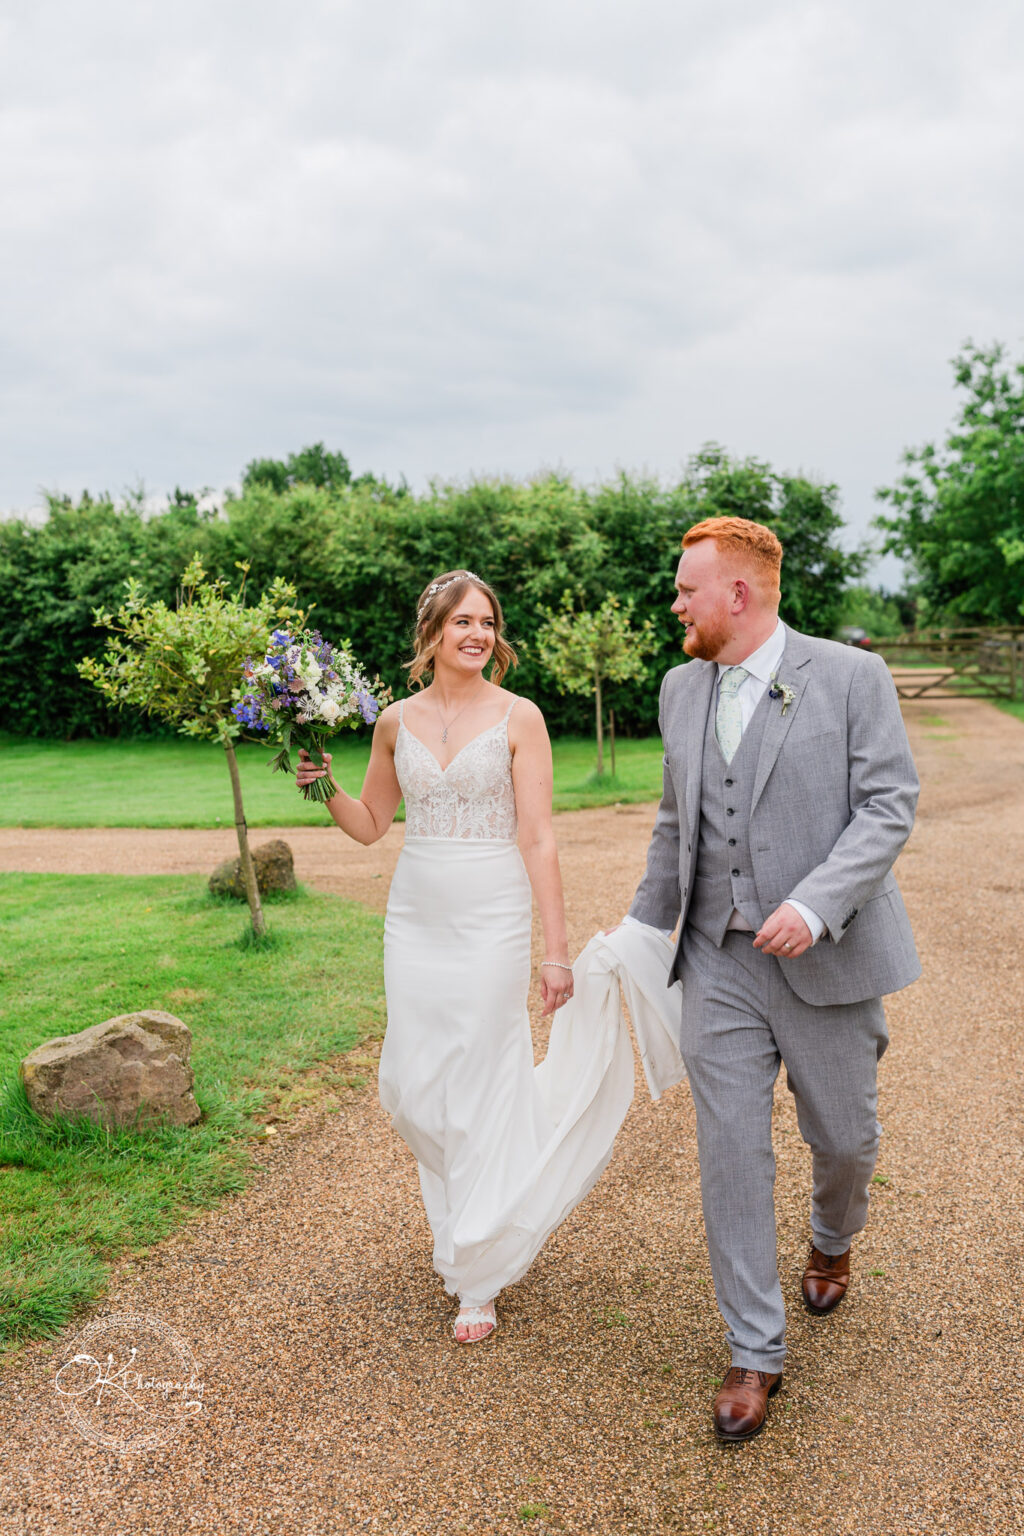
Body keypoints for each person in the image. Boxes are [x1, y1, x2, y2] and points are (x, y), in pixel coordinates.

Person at [297, 570, 671, 1345]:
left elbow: (538, 837)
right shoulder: (393, 722)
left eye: (488, 622)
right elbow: (370, 825)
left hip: (492, 911)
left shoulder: (519, 716)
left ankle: (477, 1267)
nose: (478, 633)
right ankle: (485, 1202)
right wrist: (320, 783)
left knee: (476, 1072)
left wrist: (556, 953)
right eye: (463, 620)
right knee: (409, 1082)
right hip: (416, 914)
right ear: (431, 631)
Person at [625, 517, 920, 1442]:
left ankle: (833, 1238)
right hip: (716, 963)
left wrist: (819, 903)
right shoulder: (680, 688)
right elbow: (677, 827)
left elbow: (888, 804)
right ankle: (755, 1350)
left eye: (686, 590)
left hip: (825, 957)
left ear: (738, 595)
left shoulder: (850, 677)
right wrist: (637, 932)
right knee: (731, 1151)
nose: (675, 604)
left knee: (846, 1139)